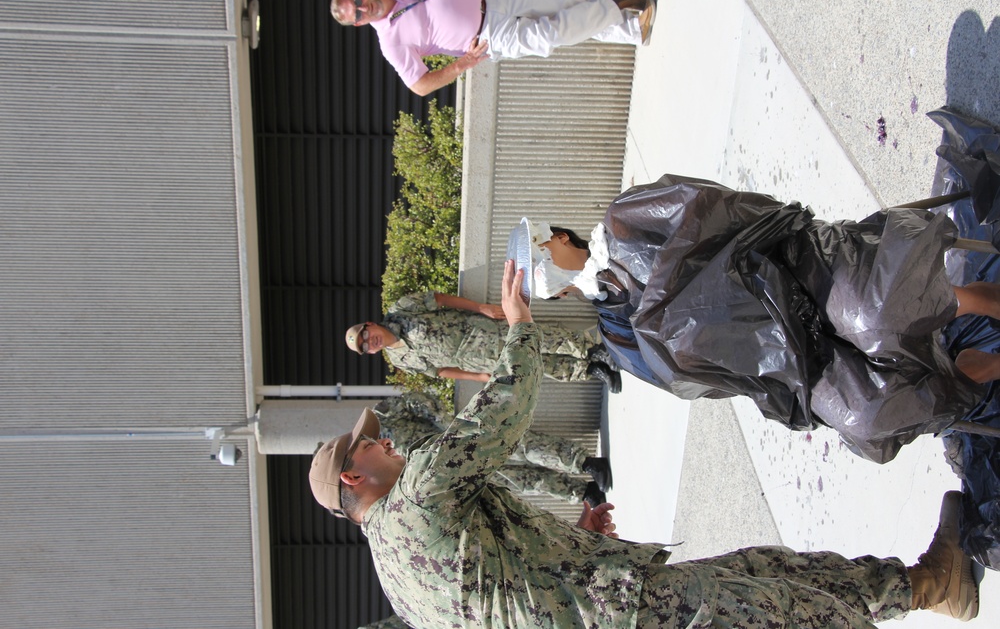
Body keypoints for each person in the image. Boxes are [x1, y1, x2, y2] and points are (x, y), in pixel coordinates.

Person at [310, 260, 981, 627]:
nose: (385, 442)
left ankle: (926, 583)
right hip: (623, 613)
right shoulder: (418, 492)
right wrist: (519, 327)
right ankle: (923, 588)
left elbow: (499, 590)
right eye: (370, 445)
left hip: (610, 597)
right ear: (352, 478)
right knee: (782, 613)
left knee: (768, 574)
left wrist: (577, 538)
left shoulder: (399, 584)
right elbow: (501, 415)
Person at [518, 174, 1000, 463]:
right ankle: (983, 365)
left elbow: (719, 208)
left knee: (877, 311)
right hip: (787, 362)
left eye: (540, 256)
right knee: (871, 417)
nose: (547, 274)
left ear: (558, 238)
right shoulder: (618, 336)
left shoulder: (624, 218)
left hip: (794, 267)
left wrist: (672, 300)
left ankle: (979, 299)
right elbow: (700, 382)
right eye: (541, 283)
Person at [330, 0, 656, 96]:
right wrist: (461, 65)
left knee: (568, 9)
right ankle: (610, 3)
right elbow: (419, 84)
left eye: (357, 0)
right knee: (549, 37)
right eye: (355, 14)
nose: (362, 8)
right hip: (487, 39)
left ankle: (631, 28)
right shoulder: (390, 42)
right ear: (358, 24)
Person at [346, 290, 622, 391]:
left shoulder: (400, 310)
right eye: (365, 347)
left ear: (370, 325)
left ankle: (595, 350)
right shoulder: (399, 359)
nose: (371, 343)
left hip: (480, 331)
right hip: (477, 359)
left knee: (540, 339)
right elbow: (440, 371)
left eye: (366, 336)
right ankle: (591, 371)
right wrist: (479, 377)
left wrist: (481, 307)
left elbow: (440, 300)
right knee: (534, 366)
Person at [371, 390, 612, 504]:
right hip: (460, 469)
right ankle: (583, 492)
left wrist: (442, 422)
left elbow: (414, 400)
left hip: (463, 436)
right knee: (523, 481)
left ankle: (587, 463)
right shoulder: (375, 471)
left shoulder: (378, 419)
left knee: (525, 447)